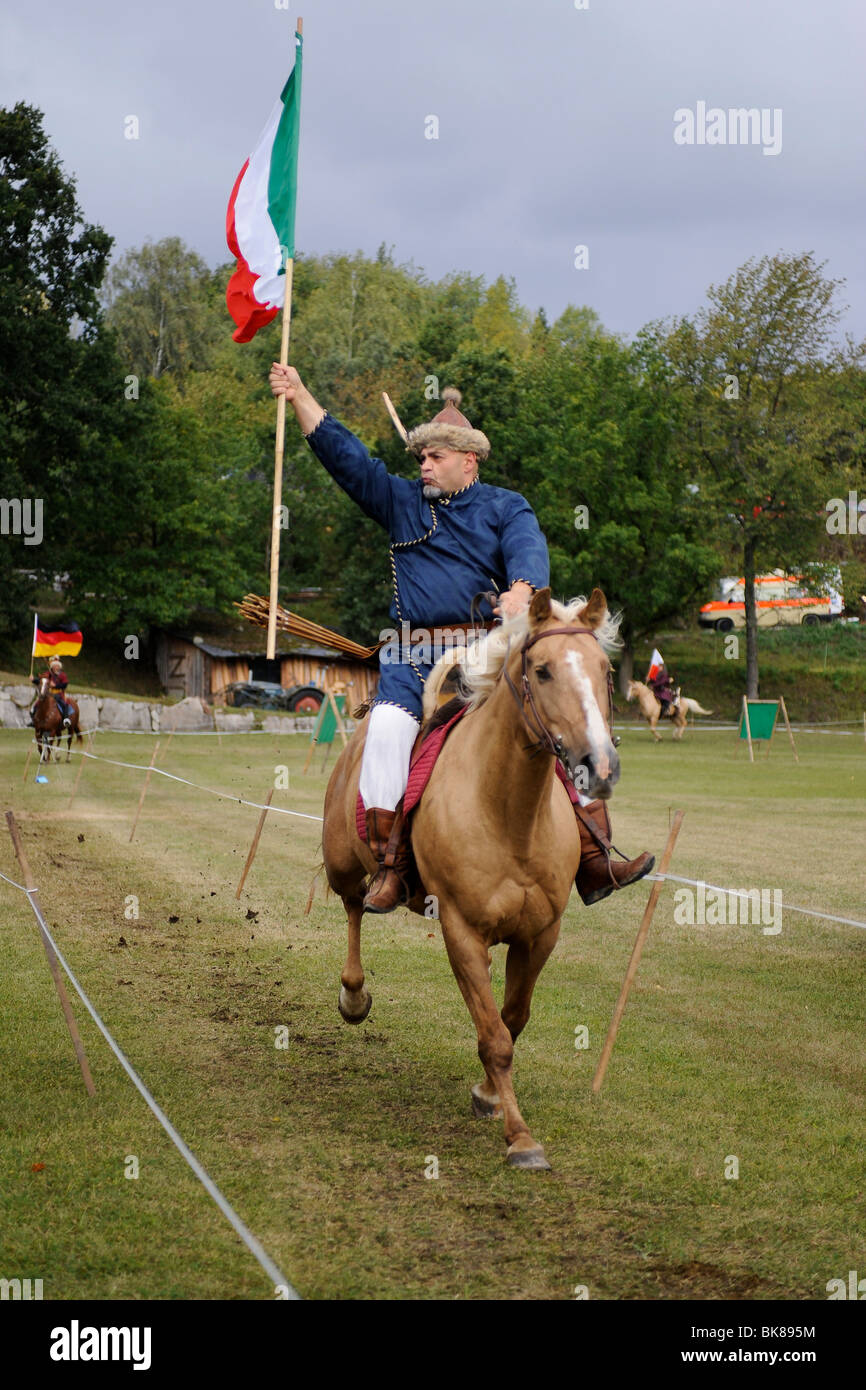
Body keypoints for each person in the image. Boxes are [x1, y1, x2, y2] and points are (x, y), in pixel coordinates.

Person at [269, 364, 653, 912]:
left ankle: (595, 855)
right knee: (384, 731)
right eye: (421, 457)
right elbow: (348, 460)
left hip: (487, 653)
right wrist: (301, 394)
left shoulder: (505, 505)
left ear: (468, 460)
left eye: (435, 457)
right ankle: (390, 868)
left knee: (562, 718)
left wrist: (522, 590)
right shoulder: (400, 502)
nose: (423, 465)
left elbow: (528, 549)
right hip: (411, 657)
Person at [30, 655, 73, 727]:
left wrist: (55, 685)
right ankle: (33, 720)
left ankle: (65, 719)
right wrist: (33, 680)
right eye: (55, 666)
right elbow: (41, 681)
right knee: (36, 705)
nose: (56, 667)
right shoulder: (48, 673)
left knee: (64, 704)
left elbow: (65, 685)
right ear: (52, 667)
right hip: (48, 694)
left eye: (57, 666)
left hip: (58, 694)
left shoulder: (62, 675)